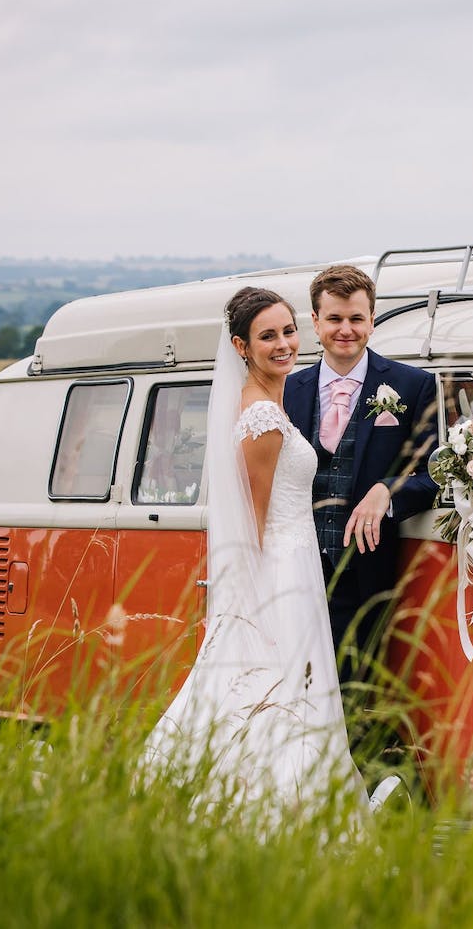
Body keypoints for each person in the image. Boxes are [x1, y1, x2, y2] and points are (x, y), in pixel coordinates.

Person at [141, 286, 365, 819]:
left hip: (295, 567)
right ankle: (271, 810)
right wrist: (255, 606)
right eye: (268, 336)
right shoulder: (261, 417)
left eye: (289, 330)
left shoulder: (270, 405)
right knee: (277, 693)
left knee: (288, 694)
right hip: (277, 576)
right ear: (242, 347)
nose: (284, 343)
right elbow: (252, 520)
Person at [283, 264, 439, 689]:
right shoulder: (287, 390)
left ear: (372, 319)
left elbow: (433, 476)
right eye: (334, 318)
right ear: (315, 322)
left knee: (353, 691)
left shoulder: (412, 386)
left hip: (367, 572)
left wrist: (387, 490)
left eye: (356, 318)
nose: (345, 329)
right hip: (295, 566)